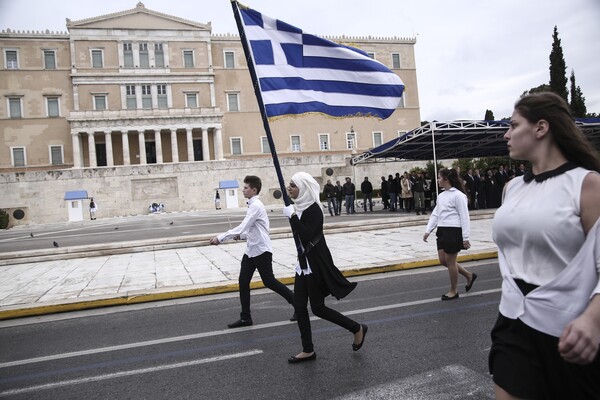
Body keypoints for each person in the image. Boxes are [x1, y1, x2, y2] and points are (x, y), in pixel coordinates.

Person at [489, 92, 600, 399]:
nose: (506, 134)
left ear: (541, 128)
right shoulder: (512, 188)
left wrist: (593, 320)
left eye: (513, 125)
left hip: (571, 334)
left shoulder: (587, 185)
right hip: (511, 324)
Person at [283, 172, 368, 363]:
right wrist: (294, 215)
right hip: (304, 262)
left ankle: (356, 328)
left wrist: (293, 218)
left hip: (315, 263)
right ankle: (308, 350)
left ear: (303, 189)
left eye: (292, 185)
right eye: (288, 184)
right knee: (300, 306)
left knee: (318, 308)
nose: (289, 188)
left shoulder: (313, 209)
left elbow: (305, 235)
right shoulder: (300, 207)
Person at [209, 175, 295, 328]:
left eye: (246, 187)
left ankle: (298, 305)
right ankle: (245, 318)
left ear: (254, 190)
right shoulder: (252, 205)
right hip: (251, 250)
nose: (243, 190)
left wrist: (220, 237)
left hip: (261, 250)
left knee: (269, 281)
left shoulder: (256, 206)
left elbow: (243, 226)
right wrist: (240, 236)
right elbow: (251, 229)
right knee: (243, 281)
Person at [423, 168, 475, 301]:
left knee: (450, 262)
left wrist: (465, 237)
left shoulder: (458, 195)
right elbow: (436, 214)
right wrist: (428, 230)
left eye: (439, 178)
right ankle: (468, 275)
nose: (438, 180)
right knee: (443, 260)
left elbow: (465, 217)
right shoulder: (441, 195)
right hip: (442, 230)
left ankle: (454, 290)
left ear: (446, 179)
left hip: (453, 231)